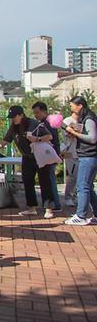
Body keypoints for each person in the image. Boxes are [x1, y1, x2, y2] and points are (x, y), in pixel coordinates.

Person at [0, 105, 55, 219]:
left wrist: (37, 139)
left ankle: (49, 209)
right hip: (27, 157)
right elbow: (5, 141)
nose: (13, 119)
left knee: (44, 181)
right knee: (28, 182)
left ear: (21, 115)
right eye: (12, 117)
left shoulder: (33, 123)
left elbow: (49, 136)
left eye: (15, 116)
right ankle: (31, 207)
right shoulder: (13, 127)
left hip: (39, 156)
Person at [63, 96, 97, 225]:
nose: (70, 108)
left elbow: (93, 138)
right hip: (86, 155)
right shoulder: (85, 118)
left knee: (82, 186)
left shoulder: (89, 119)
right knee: (88, 186)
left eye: (72, 105)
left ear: (80, 106)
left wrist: (74, 132)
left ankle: (81, 215)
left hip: (89, 156)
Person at [32, 102, 62, 211]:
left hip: (49, 154)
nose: (35, 115)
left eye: (37, 112)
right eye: (34, 113)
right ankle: (53, 204)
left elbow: (50, 137)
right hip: (48, 154)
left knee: (49, 180)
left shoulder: (47, 123)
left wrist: (36, 139)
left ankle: (54, 205)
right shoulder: (44, 122)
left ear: (44, 112)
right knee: (49, 179)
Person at [60, 114, 80, 207]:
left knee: (81, 177)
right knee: (73, 176)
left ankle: (76, 196)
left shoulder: (85, 120)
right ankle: (68, 197)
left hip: (82, 152)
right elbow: (67, 135)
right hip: (70, 151)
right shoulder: (67, 121)